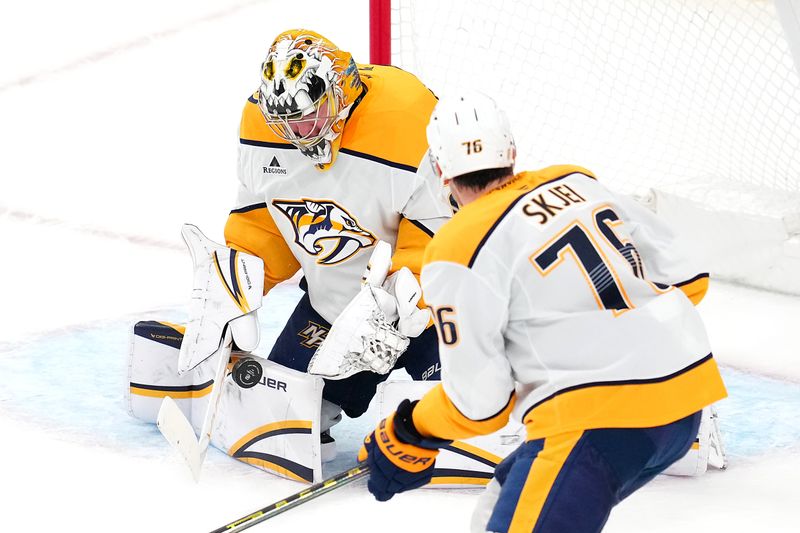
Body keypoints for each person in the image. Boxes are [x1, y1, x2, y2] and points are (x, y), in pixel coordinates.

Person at [358, 92, 727, 532]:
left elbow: (480, 405)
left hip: (597, 423)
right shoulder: (577, 181)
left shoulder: (457, 246)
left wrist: (408, 428)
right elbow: (690, 279)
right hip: (686, 406)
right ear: (512, 153)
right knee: (496, 511)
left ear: (440, 171)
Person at [223, 29, 452, 456]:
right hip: (333, 305)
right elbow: (262, 226)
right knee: (278, 419)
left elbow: (440, 236)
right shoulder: (261, 126)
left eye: (308, 114)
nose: (297, 131)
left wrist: (397, 306)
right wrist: (235, 286)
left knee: (460, 414)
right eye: (285, 121)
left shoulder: (408, 116)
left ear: (341, 87)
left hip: (430, 312)